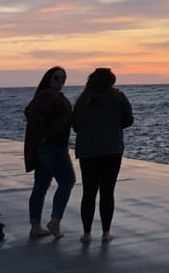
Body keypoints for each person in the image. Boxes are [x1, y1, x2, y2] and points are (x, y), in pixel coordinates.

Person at [72, 67, 134, 243]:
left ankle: (87, 233)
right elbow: (129, 120)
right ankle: (106, 233)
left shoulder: (83, 100)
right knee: (107, 192)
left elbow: (75, 126)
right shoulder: (118, 97)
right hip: (111, 149)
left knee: (88, 192)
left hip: (87, 151)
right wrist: (113, 125)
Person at [24, 66, 75, 239]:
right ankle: (55, 221)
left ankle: (35, 226)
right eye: (57, 77)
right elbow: (30, 112)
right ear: (49, 79)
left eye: (63, 78)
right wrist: (43, 134)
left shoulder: (51, 96)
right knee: (67, 180)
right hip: (53, 147)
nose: (61, 81)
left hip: (46, 148)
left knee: (40, 186)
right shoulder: (48, 95)